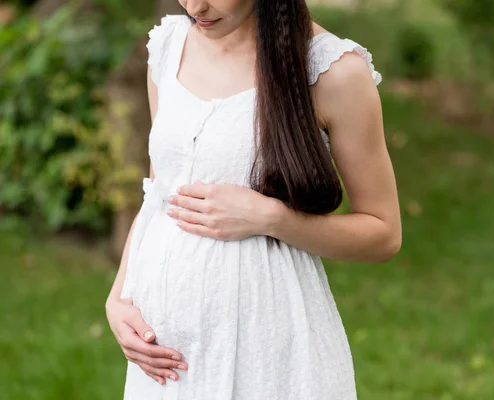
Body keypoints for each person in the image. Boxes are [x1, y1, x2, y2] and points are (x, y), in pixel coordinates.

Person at [105, 0, 401, 398]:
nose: (195, 6)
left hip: (268, 353)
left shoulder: (333, 72)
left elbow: (383, 235)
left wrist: (274, 219)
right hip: (167, 359)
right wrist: (120, 296)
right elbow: (160, 193)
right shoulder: (169, 47)